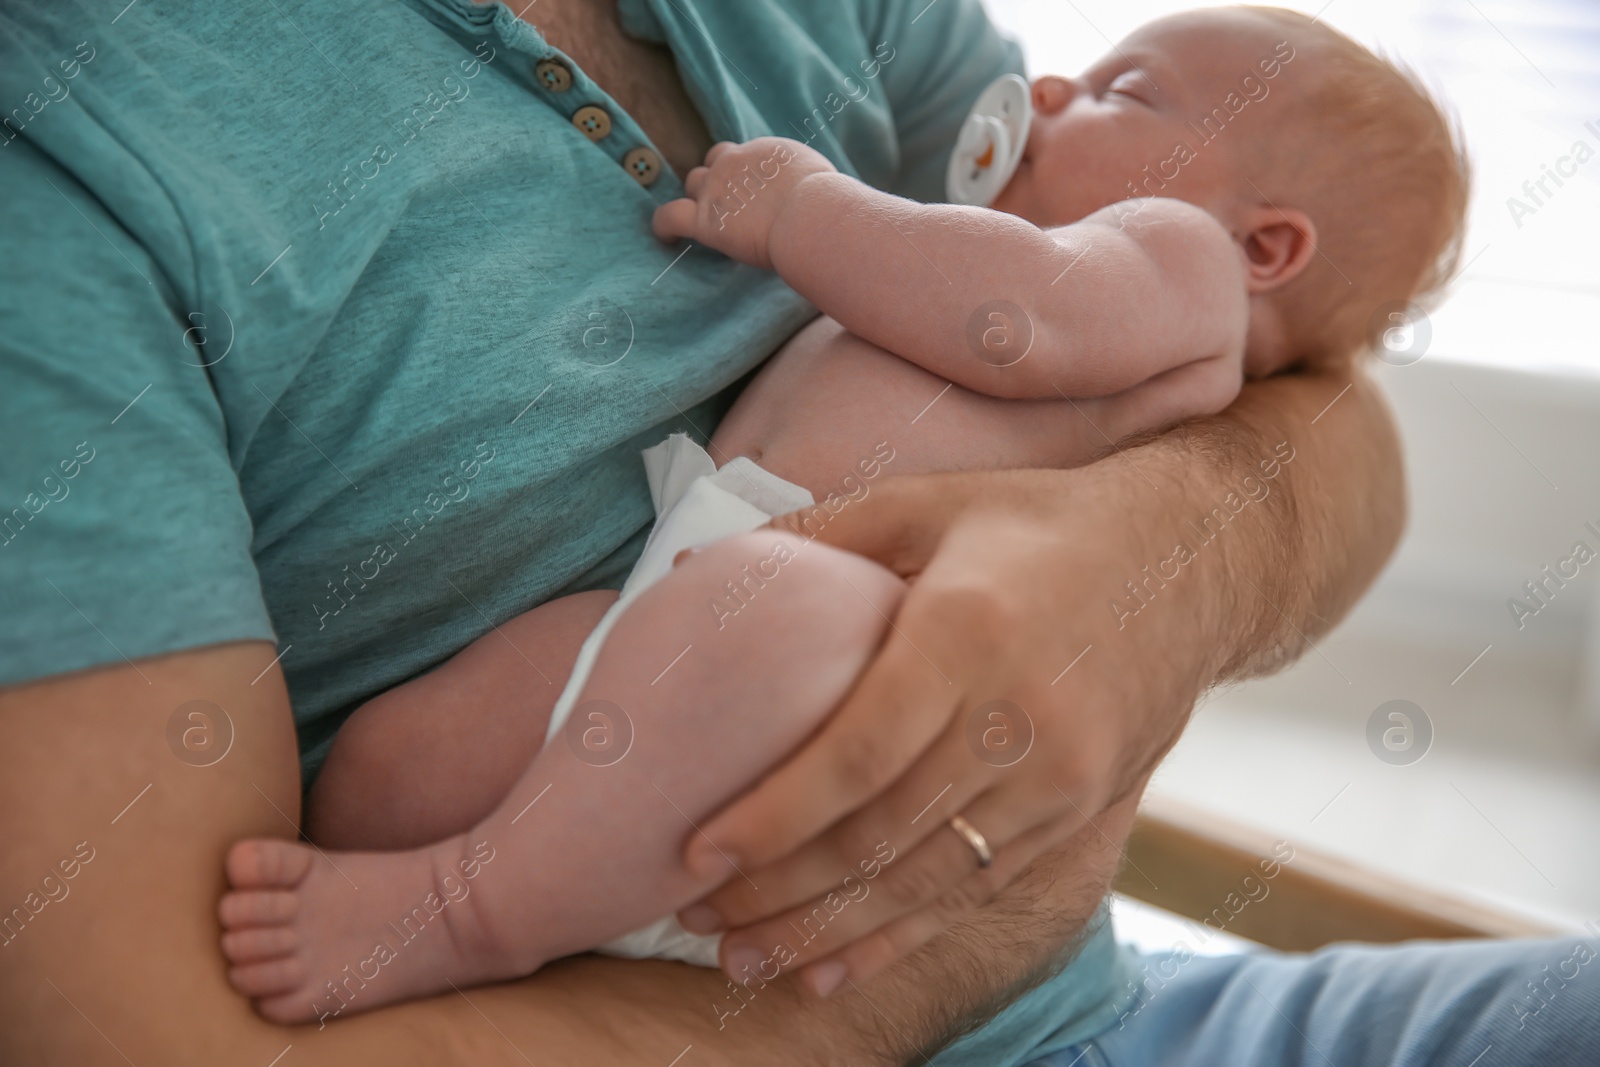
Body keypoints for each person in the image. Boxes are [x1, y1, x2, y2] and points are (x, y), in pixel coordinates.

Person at [15, 3, 1585, 1066]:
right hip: (749, 825)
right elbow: (148, 1030)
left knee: (760, 606)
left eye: (1126, 94)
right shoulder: (69, 150)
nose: (1045, 93)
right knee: (408, 763)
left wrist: (1131, 582)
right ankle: (453, 879)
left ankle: (478, 899)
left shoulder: (1161, 256)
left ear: (1269, 247)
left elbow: (1063, 334)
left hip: (802, 612)